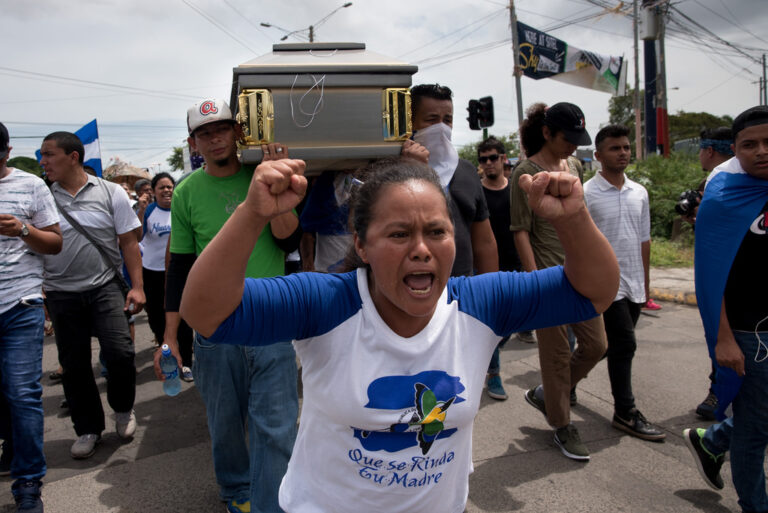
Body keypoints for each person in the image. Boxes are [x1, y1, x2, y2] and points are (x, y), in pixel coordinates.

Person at [179, 156, 619, 513]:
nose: (422, 248)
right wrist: (252, 213)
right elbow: (205, 312)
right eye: (399, 234)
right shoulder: (326, 303)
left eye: (436, 231)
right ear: (362, 245)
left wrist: (573, 217)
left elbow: (593, 292)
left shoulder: (480, 304)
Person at [156, 98, 300, 513]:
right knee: (225, 424)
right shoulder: (185, 193)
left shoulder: (263, 176)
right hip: (214, 324)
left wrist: (277, 190)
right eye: (205, 133)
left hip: (270, 316)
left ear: (238, 132)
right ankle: (237, 492)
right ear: (193, 143)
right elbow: (179, 268)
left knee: (276, 423)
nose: (215, 138)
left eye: (222, 128)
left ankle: (274, 501)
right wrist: (170, 336)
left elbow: (290, 241)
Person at [510, 102, 608, 461]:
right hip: (548, 280)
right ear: (548, 133)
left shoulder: (575, 166)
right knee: (555, 355)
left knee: (596, 345)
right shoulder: (526, 170)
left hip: (580, 272)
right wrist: (534, 280)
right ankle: (562, 424)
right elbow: (520, 231)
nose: (572, 146)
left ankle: (546, 395)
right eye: (568, 138)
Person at [39, 131, 145, 460]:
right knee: (74, 365)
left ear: (73, 157)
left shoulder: (110, 192)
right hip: (60, 293)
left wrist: (138, 286)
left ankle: (123, 410)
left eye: (49, 155)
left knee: (120, 352)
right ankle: (88, 428)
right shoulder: (41, 197)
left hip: (105, 287)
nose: (43, 162)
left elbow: (129, 242)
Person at [683, 106, 768, 512]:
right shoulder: (724, 195)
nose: (761, 151)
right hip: (751, 336)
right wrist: (723, 339)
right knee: (756, 428)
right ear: (734, 150)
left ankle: (712, 441)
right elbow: (709, 276)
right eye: (750, 145)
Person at [584, 124, 666, 443]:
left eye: (626, 147)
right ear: (598, 155)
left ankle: (560, 387)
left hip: (633, 284)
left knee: (609, 348)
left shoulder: (639, 193)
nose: (623, 153)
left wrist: (645, 284)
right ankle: (625, 412)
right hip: (605, 286)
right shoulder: (586, 194)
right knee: (625, 345)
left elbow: (644, 240)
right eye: (615, 148)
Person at [0, 122, 63, 513]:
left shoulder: (31, 186)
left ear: (5, 151)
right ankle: (12, 447)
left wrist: (23, 228)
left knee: (23, 393)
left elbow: (54, 242)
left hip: (20, 303)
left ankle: (28, 484)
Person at [410, 84, 498, 277]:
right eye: (432, 120)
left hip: (463, 290)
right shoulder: (395, 170)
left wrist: (490, 290)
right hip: (414, 287)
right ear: (411, 122)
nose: (441, 127)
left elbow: (484, 241)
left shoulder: (466, 170)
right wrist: (410, 169)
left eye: (447, 120)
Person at [478, 136, 533, 401]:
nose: (488, 164)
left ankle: (485, 352)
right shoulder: (476, 192)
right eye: (483, 159)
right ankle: (494, 374)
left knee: (511, 323)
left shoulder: (515, 191)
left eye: (492, 158)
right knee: (493, 323)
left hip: (515, 265)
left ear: (503, 159)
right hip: (485, 268)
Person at [689, 127, 734, 420]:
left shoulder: (719, 181)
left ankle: (720, 392)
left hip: (727, 274)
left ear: (708, 151)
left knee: (723, 337)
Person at [140, 173, 193, 380]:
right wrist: (141, 212)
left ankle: (187, 363)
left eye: (169, 187)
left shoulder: (182, 208)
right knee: (157, 318)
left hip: (179, 271)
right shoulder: (150, 211)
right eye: (161, 187)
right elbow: (136, 236)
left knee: (183, 317)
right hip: (152, 272)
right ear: (153, 191)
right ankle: (168, 356)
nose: (167, 190)